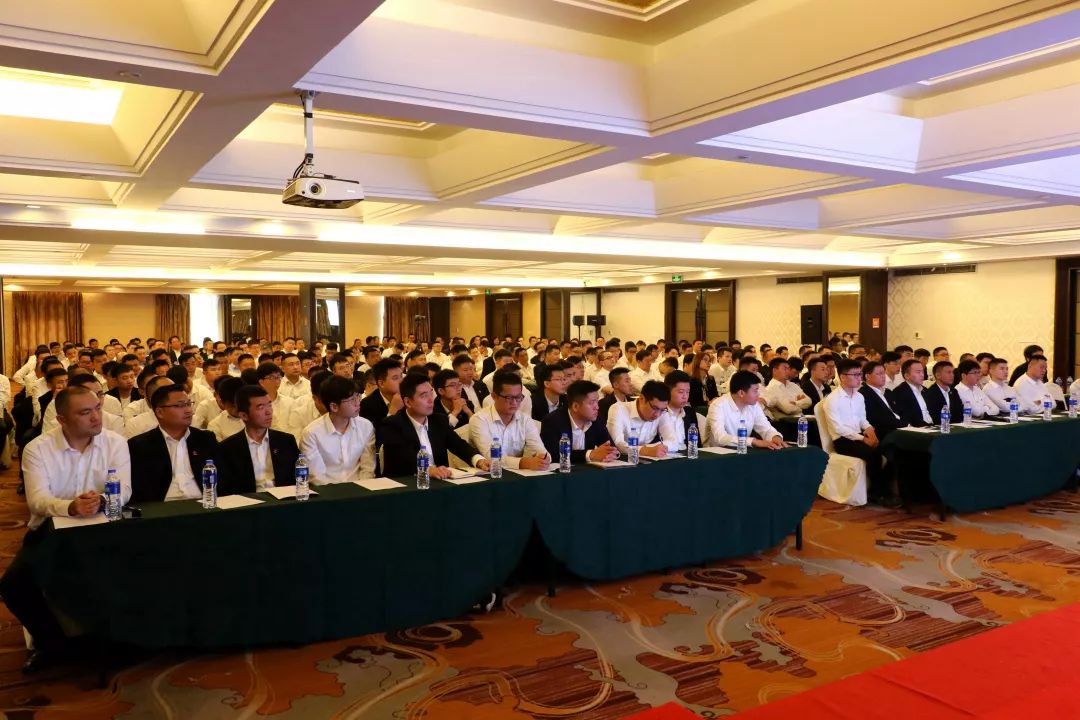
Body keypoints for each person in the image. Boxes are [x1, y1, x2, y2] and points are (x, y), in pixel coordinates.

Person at [1, 386, 131, 671]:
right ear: (61, 419)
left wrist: (101, 500)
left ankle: (122, 640)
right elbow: (37, 501)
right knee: (14, 585)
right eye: (85, 413)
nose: (96, 417)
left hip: (102, 529)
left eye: (97, 409)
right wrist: (70, 507)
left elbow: (124, 491)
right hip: (50, 531)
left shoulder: (115, 443)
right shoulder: (38, 448)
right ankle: (52, 644)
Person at [377, 374, 490, 478]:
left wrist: (478, 460)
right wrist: (427, 469)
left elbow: (459, 445)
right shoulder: (392, 425)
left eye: (431, 393)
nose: (431, 400)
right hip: (406, 484)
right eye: (424, 396)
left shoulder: (439, 420)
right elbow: (402, 458)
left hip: (439, 482)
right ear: (408, 402)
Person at [821, 359, 897, 505]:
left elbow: (863, 419)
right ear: (843, 377)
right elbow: (838, 428)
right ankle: (877, 493)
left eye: (859, 374)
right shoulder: (832, 399)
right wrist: (863, 439)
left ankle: (887, 489)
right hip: (843, 441)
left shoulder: (859, 396)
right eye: (855, 375)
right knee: (874, 455)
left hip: (859, 436)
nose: (859, 378)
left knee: (890, 448)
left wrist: (870, 431)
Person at [128, 383, 219, 503]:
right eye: (180, 405)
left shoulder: (205, 439)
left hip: (204, 503)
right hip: (161, 507)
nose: (188, 410)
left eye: (188, 404)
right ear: (159, 412)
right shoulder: (139, 445)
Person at [218, 385, 301, 494]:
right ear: (244, 415)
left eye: (269, 405)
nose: (269, 412)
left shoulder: (286, 441)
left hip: (284, 499)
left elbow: (297, 479)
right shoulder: (228, 448)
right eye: (261, 407)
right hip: (249, 501)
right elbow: (227, 488)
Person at [299, 375, 376, 484]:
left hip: (360, 488)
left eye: (357, 396)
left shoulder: (365, 426)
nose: (357, 403)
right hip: (327, 490)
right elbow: (316, 476)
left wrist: (363, 489)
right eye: (351, 400)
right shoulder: (312, 433)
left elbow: (368, 468)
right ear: (334, 407)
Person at [469, 372, 550, 470]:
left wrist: (543, 459)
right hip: (488, 474)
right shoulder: (479, 419)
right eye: (509, 398)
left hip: (519, 474)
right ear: (494, 396)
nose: (515, 403)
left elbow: (540, 450)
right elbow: (491, 456)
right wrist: (525, 462)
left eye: (518, 397)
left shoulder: (525, 420)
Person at [540, 380, 619, 463]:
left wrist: (612, 453)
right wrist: (590, 454)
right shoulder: (552, 421)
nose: (597, 407)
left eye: (597, 401)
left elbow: (610, 447)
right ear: (575, 406)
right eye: (592, 403)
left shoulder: (596, 419)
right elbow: (553, 455)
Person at [706, 370, 785, 449]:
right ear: (741, 393)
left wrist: (775, 437)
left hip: (742, 450)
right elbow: (720, 438)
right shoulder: (718, 405)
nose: (758, 394)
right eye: (755, 391)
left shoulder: (754, 405)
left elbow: (766, 428)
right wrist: (753, 441)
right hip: (715, 452)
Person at [606, 380, 671, 458]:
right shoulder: (618, 409)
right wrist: (646, 450)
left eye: (662, 410)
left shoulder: (663, 412)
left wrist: (650, 449)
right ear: (642, 398)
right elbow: (617, 444)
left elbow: (672, 441)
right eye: (654, 408)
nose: (657, 414)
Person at [859, 361, 904, 439]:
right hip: (884, 432)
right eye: (879, 374)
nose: (883, 376)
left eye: (883, 373)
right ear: (867, 376)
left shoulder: (887, 392)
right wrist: (905, 425)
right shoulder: (863, 394)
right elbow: (878, 419)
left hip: (900, 427)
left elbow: (899, 411)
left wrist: (908, 424)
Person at [658, 370, 695, 453]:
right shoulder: (659, 412)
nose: (685, 396)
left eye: (687, 392)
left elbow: (697, 444)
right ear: (668, 391)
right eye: (681, 392)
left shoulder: (689, 412)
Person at [359, 358, 404, 425]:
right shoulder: (367, 405)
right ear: (381, 383)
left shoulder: (408, 396)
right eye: (395, 378)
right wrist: (393, 412)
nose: (401, 381)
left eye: (401, 376)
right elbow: (376, 431)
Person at [889, 359, 933, 427]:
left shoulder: (925, 390)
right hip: (916, 429)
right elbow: (907, 417)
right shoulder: (899, 392)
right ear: (907, 376)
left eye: (922, 371)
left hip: (932, 426)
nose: (922, 375)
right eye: (918, 372)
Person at [206, 376, 246, 442]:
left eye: (240, 404)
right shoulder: (215, 425)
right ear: (222, 403)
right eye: (232, 406)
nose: (237, 409)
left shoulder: (258, 415)